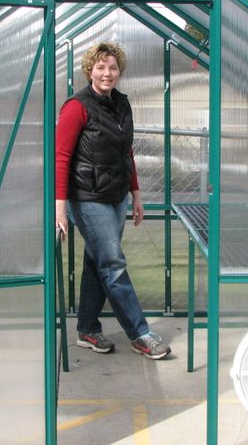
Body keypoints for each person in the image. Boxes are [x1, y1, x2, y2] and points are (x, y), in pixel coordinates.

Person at [55, 41, 171, 360]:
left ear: (119, 71)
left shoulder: (121, 104)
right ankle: (140, 333)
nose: (107, 73)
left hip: (117, 196)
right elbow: (61, 158)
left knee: (98, 261)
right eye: (101, 67)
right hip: (87, 198)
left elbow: (127, 153)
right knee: (113, 263)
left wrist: (135, 195)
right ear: (90, 70)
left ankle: (88, 330)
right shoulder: (76, 106)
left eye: (113, 67)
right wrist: (60, 208)